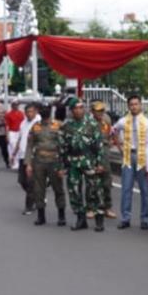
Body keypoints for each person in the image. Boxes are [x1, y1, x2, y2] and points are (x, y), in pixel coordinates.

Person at [60, 98, 105, 231]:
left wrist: (100, 163)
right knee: (74, 190)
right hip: (73, 162)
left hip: (89, 161)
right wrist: (62, 166)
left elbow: (99, 145)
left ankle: (99, 219)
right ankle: (81, 219)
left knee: (94, 190)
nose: (79, 110)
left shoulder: (92, 123)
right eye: (76, 108)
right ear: (71, 110)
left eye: (81, 108)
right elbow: (62, 146)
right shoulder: (66, 125)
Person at [112, 95, 148, 230]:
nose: (134, 106)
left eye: (136, 104)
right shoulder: (123, 121)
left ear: (141, 105)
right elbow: (113, 130)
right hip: (128, 155)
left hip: (143, 157)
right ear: (128, 106)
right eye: (131, 104)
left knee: (145, 190)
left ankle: (144, 219)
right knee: (126, 188)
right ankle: (125, 218)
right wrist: (119, 146)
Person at [25, 104, 66, 226]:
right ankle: (41, 216)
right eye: (42, 110)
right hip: (39, 161)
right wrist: (28, 164)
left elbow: (65, 145)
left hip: (55, 161)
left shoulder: (58, 125)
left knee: (58, 188)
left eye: (46, 110)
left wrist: (63, 165)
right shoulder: (35, 127)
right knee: (39, 189)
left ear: (51, 112)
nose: (44, 112)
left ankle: (61, 216)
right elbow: (30, 146)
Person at [89, 101, 116, 219]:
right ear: (92, 111)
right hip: (91, 150)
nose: (100, 113)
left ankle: (107, 207)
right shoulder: (87, 121)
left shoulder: (107, 119)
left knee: (106, 180)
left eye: (102, 110)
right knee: (92, 181)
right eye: (98, 110)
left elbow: (111, 133)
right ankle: (91, 208)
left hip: (104, 149)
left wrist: (111, 142)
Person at [13, 102, 41, 215]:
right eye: (27, 112)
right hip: (22, 155)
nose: (29, 114)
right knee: (22, 181)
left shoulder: (38, 123)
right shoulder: (23, 123)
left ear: (36, 112)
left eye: (31, 111)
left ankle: (29, 206)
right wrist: (14, 153)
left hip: (33, 157)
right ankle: (37, 196)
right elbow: (20, 139)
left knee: (30, 182)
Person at [5, 100, 24, 168]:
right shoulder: (8, 114)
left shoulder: (21, 114)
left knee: (19, 147)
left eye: (17, 104)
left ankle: (18, 162)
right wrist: (7, 135)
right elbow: (7, 126)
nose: (16, 106)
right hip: (12, 132)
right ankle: (14, 162)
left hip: (19, 132)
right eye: (14, 104)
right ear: (12, 105)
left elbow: (23, 124)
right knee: (12, 147)